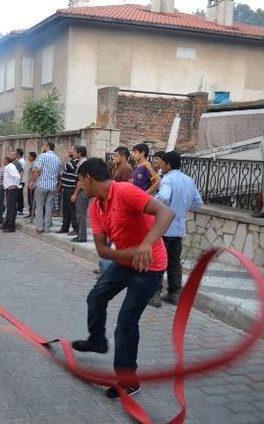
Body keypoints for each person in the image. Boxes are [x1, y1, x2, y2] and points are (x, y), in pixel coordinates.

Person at [71, 158, 174, 399]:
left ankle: (129, 381)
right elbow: (102, 251)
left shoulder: (125, 191)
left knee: (126, 322)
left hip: (150, 267)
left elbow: (166, 213)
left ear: (88, 178)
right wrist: (131, 252)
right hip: (124, 263)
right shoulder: (96, 207)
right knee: (96, 297)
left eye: (80, 181)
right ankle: (97, 341)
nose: (80, 186)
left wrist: (146, 245)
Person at [151, 151, 203, 307]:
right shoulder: (189, 180)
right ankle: (174, 294)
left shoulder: (167, 180)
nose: (159, 166)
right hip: (179, 228)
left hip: (164, 228)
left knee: (159, 260)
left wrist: (150, 202)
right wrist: (182, 207)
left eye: (161, 163)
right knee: (174, 262)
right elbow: (198, 202)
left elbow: (164, 197)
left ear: (168, 164)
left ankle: (155, 294)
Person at [31, 141, 61, 233]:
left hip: (42, 185)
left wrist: (33, 181)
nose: (43, 147)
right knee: (49, 207)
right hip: (52, 186)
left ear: (48, 147)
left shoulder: (42, 156)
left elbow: (37, 170)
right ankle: (47, 227)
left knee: (39, 206)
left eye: (44, 145)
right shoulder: (57, 159)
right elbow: (59, 174)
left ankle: (39, 227)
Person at [57, 147, 79, 235]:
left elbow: (66, 166)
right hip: (66, 188)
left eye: (71, 151)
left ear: (76, 152)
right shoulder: (71, 161)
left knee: (72, 210)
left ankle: (75, 228)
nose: (69, 152)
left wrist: (67, 157)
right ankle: (65, 227)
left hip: (71, 188)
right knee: (65, 209)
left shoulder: (76, 161)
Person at [70, 146, 89, 243]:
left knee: (80, 214)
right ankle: (81, 235)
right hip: (84, 190)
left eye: (75, 152)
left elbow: (80, 181)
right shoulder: (83, 162)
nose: (74, 153)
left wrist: (75, 194)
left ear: (80, 153)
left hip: (83, 191)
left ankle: (82, 236)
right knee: (80, 213)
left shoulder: (83, 163)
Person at [2, 155, 21, 233]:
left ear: (6, 160)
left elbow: (17, 176)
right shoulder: (9, 167)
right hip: (8, 190)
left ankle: (11, 226)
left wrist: (14, 185)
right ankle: (6, 224)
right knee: (9, 208)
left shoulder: (10, 167)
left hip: (12, 190)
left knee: (12, 209)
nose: (3, 161)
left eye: (4, 160)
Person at [25, 152, 37, 220]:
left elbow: (33, 174)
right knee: (30, 199)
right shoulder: (32, 164)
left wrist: (31, 183)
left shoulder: (34, 164)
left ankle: (32, 214)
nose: (28, 157)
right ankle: (31, 213)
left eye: (29, 156)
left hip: (32, 185)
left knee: (31, 199)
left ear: (32, 157)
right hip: (30, 184)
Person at [15, 148, 26, 215]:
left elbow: (21, 171)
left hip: (20, 181)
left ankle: (20, 209)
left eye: (16, 153)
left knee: (19, 195)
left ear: (18, 154)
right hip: (18, 180)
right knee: (17, 195)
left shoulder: (22, 161)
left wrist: (19, 181)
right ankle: (18, 208)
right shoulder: (19, 161)